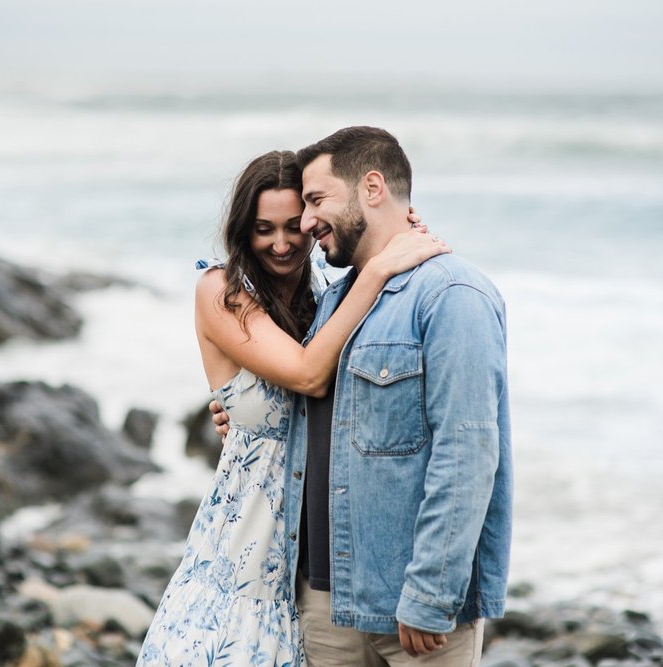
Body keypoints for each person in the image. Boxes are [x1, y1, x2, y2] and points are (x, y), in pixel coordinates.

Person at [137, 149, 450, 666]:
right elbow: (307, 374)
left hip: (318, 566)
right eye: (263, 228)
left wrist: (394, 242)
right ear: (243, 228)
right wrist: (377, 273)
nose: (281, 244)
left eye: (292, 227)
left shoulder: (328, 295)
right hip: (244, 551)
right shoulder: (222, 290)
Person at [215, 127, 511, 667]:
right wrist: (235, 410)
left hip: (407, 608)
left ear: (372, 187)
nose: (305, 224)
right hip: (324, 601)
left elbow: (467, 454)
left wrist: (430, 594)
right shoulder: (337, 299)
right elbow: (306, 396)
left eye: (315, 201)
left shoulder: (451, 294)